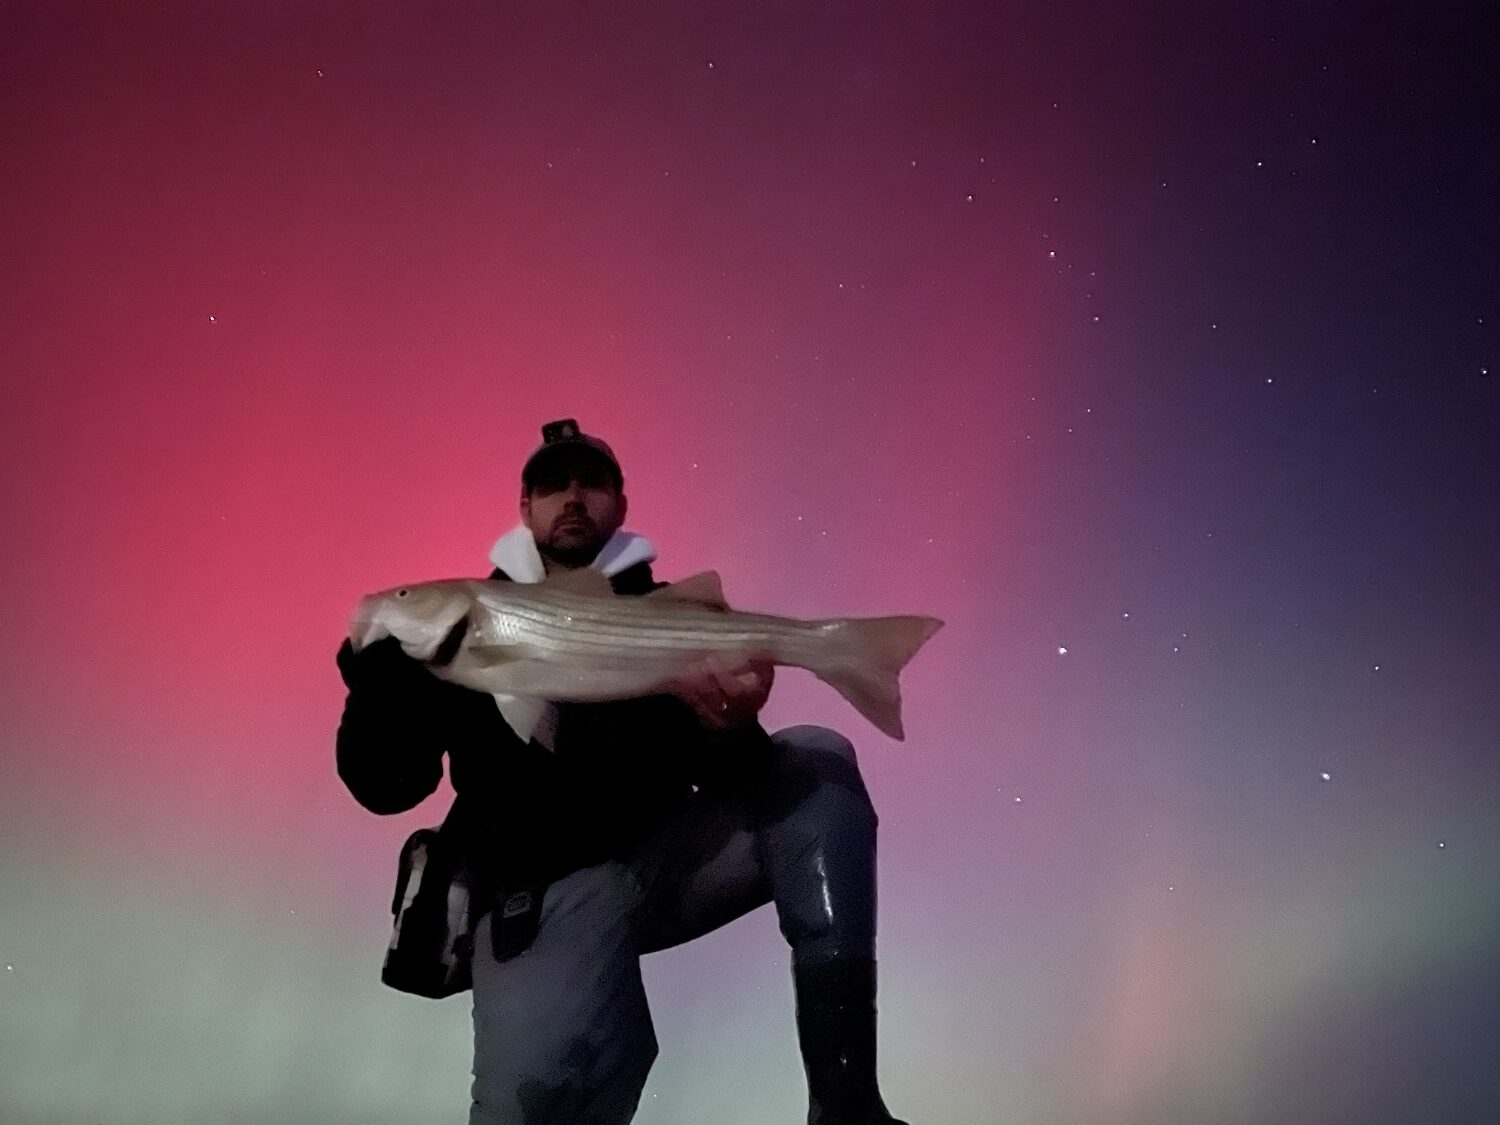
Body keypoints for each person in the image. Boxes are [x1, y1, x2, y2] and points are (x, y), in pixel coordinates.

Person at [335, 419, 909, 1125]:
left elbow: (739, 780)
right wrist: (376, 683)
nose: (573, 496)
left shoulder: (657, 612)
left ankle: (847, 1103)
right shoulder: (453, 640)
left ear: (620, 502)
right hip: (542, 899)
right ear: (525, 508)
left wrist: (728, 723)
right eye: (552, 484)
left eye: (592, 482)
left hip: (667, 865)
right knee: (536, 1105)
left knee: (818, 760)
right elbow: (384, 785)